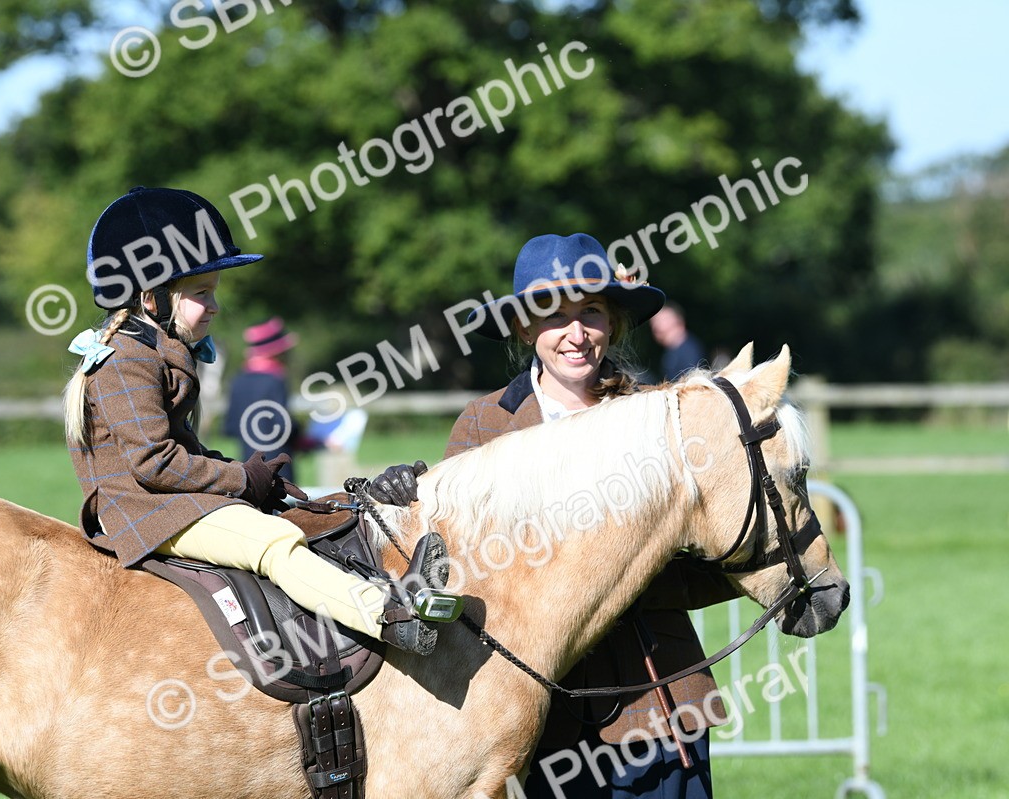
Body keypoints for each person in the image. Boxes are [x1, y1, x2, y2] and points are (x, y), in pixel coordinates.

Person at [371, 234, 740, 797]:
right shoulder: (483, 425)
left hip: (656, 697)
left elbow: (716, 551)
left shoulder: (657, 415)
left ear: (613, 322)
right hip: (533, 711)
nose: (576, 333)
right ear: (525, 328)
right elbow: (455, 569)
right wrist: (401, 504)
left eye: (591, 311)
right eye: (553, 315)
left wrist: (625, 580)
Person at [63, 185, 458, 656]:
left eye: (214, 293)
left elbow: (183, 448)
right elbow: (153, 462)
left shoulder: (151, 351)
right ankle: (391, 616)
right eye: (201, 293)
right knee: (274, 540)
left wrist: (253, 481)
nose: (215, 306)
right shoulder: (126, 361)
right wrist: (238, 479)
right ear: (153, 299)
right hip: (145, 514)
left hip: (164, 504)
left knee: (309, 513)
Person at [223, 317, 300, 480]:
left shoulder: (237, 381)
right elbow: (283, 425)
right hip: (279, 466)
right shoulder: (275, 380)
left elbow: (230, 427)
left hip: (248, 466)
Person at [649, 304, 706, 382]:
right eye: (653, 322)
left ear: (679, 322)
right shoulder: (672, 351)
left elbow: (692, 385)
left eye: (661, 320)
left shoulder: (689, 351)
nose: (655, 326)